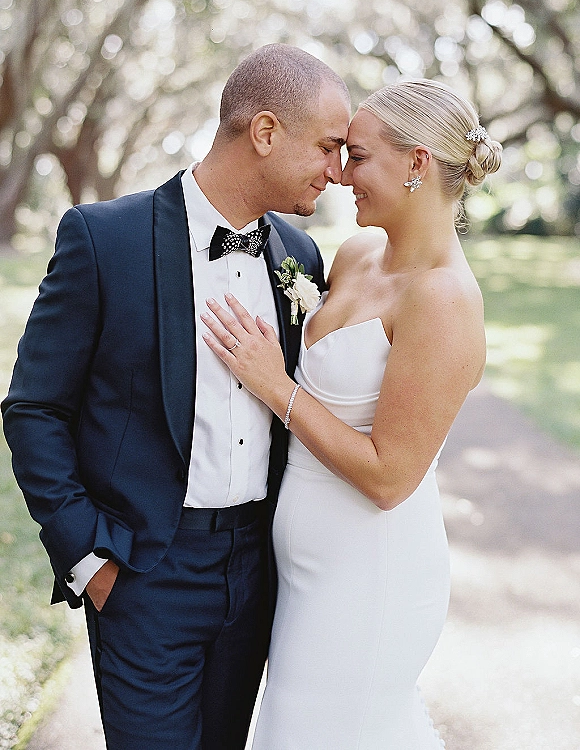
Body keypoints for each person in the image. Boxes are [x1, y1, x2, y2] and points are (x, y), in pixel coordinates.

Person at [1, 44, 350, 750]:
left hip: (259, 573)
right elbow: (34, 408)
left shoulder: (299, 257)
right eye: (328, 146)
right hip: (143, 571)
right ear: (264, 133)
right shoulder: (105, 240)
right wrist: (90, 559)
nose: (338, 172)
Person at [202, 78, 503, 749]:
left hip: (370, 582)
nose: (339, 174)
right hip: (305, 573)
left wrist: (273, 386)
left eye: (358, 156)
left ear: (418, 163)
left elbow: (389, 476)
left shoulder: (444, 300)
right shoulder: (359, 254)